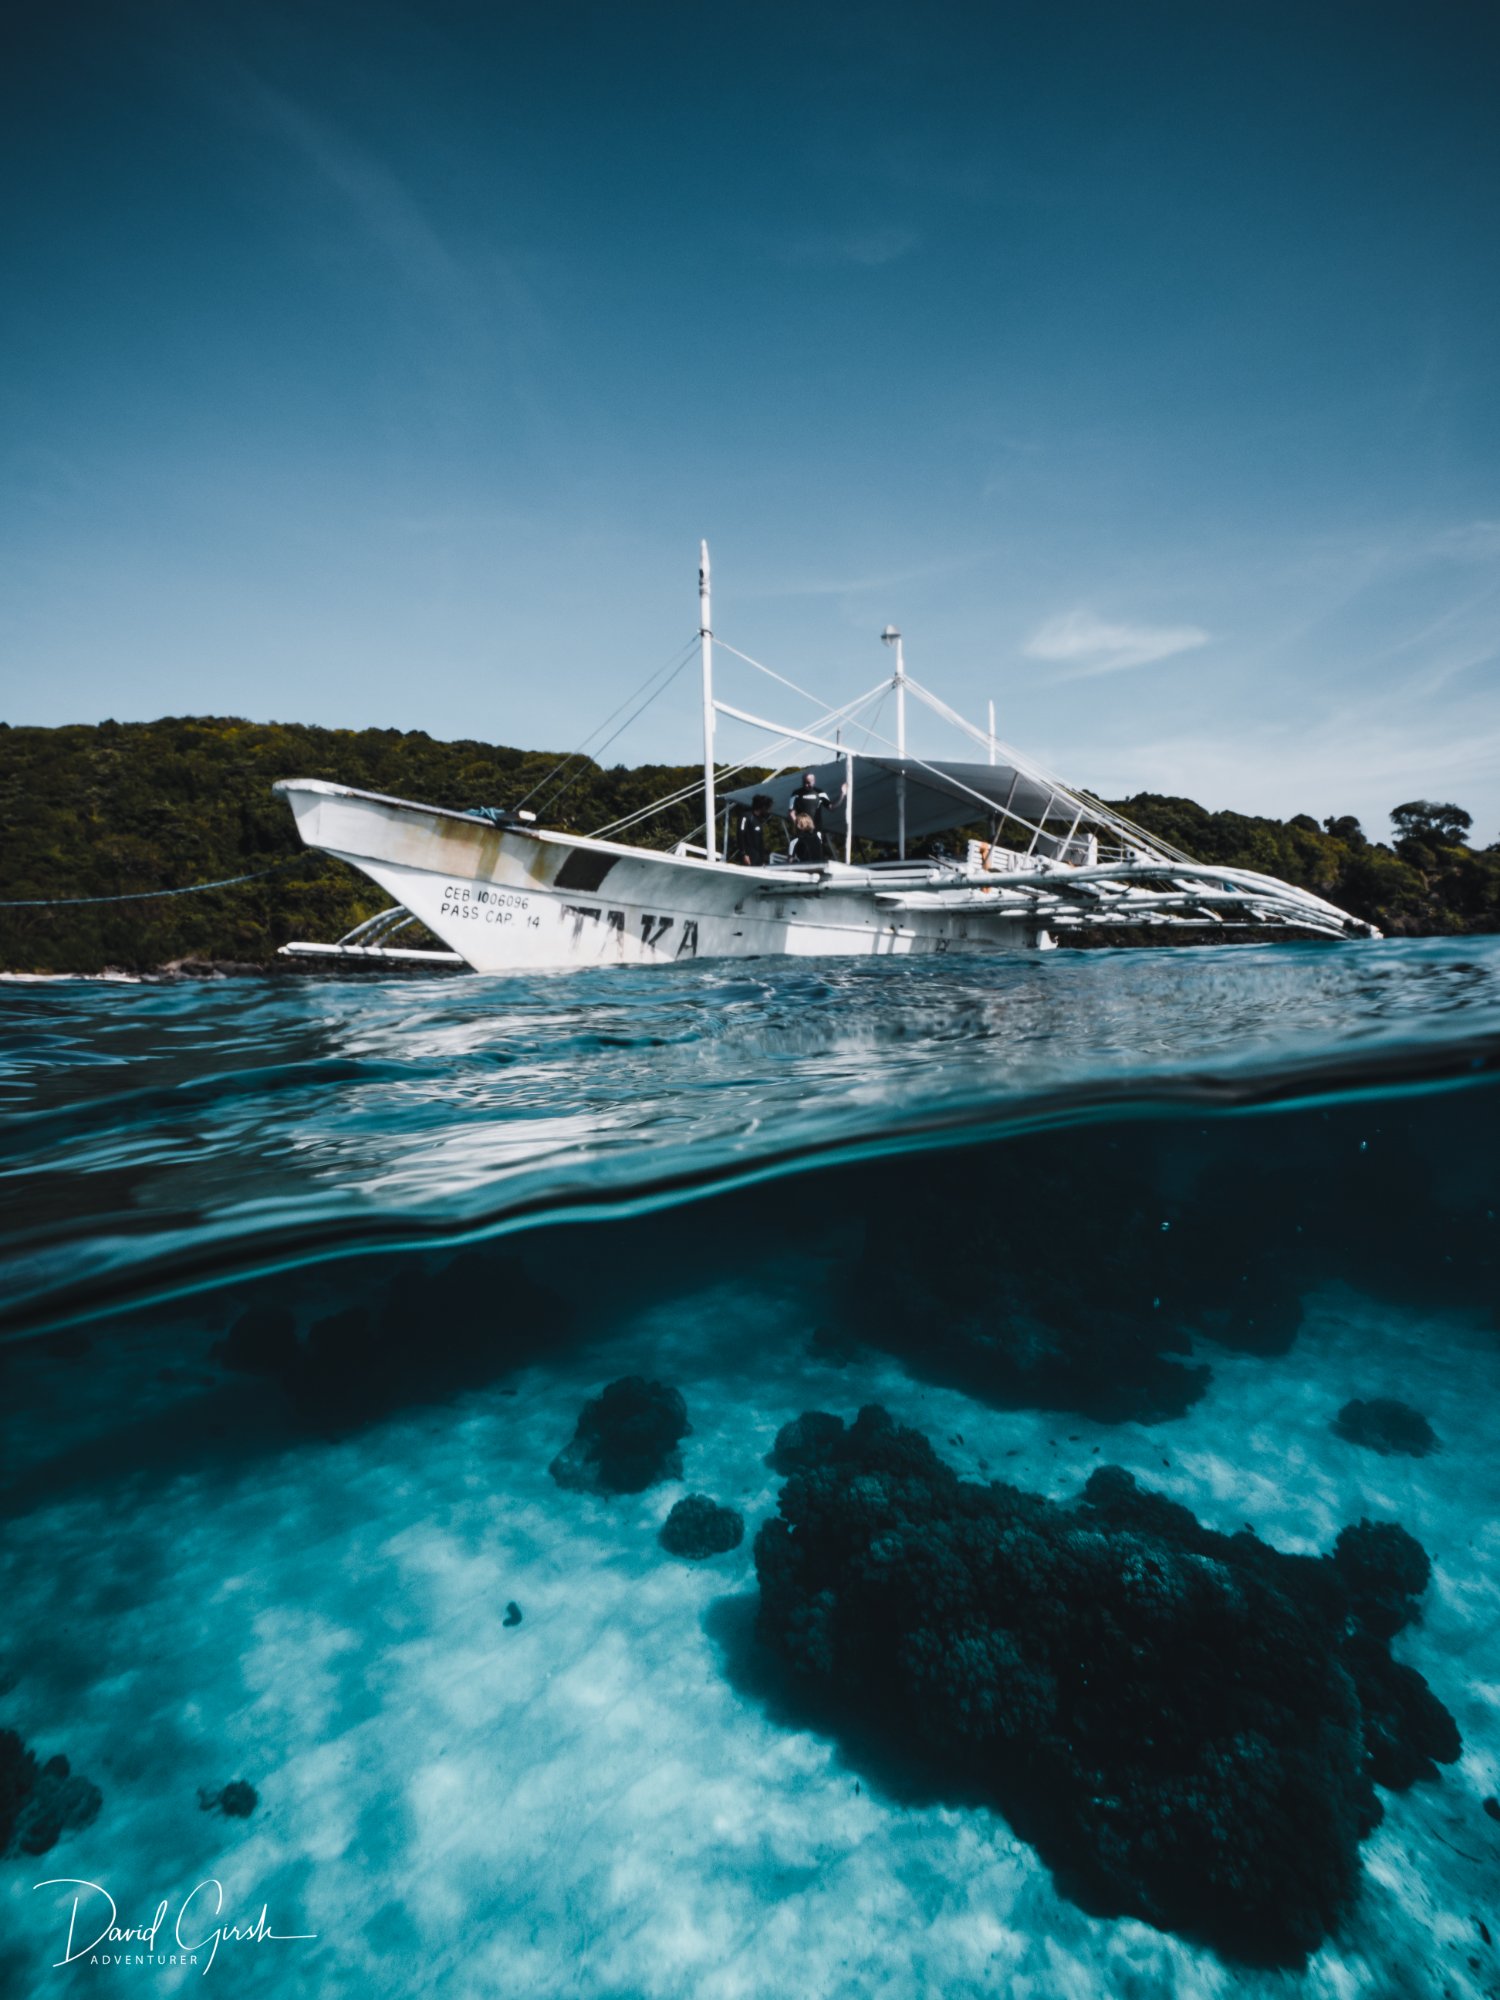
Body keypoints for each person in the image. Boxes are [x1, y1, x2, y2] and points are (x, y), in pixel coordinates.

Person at [786, 770, 847, 861]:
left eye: (809, 783)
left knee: (816, 852)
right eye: (804, 783)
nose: (807, 785)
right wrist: (798, 824)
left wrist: (842, 795)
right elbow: (791, 812)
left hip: (816, 830)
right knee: (800, 850)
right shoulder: (796, 794)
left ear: (814, 781)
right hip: (801, 830)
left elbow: (831, 807)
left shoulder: (820, 793)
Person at [732, 794, 774, 866]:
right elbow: (740, 834)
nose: (769, 811)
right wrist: (743, 854)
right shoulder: (746, 816)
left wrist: (763, 859)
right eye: (768, 808)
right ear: (763, 807)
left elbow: (760, 842)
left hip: (757, 859)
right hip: (747, 857)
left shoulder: (759, 821)